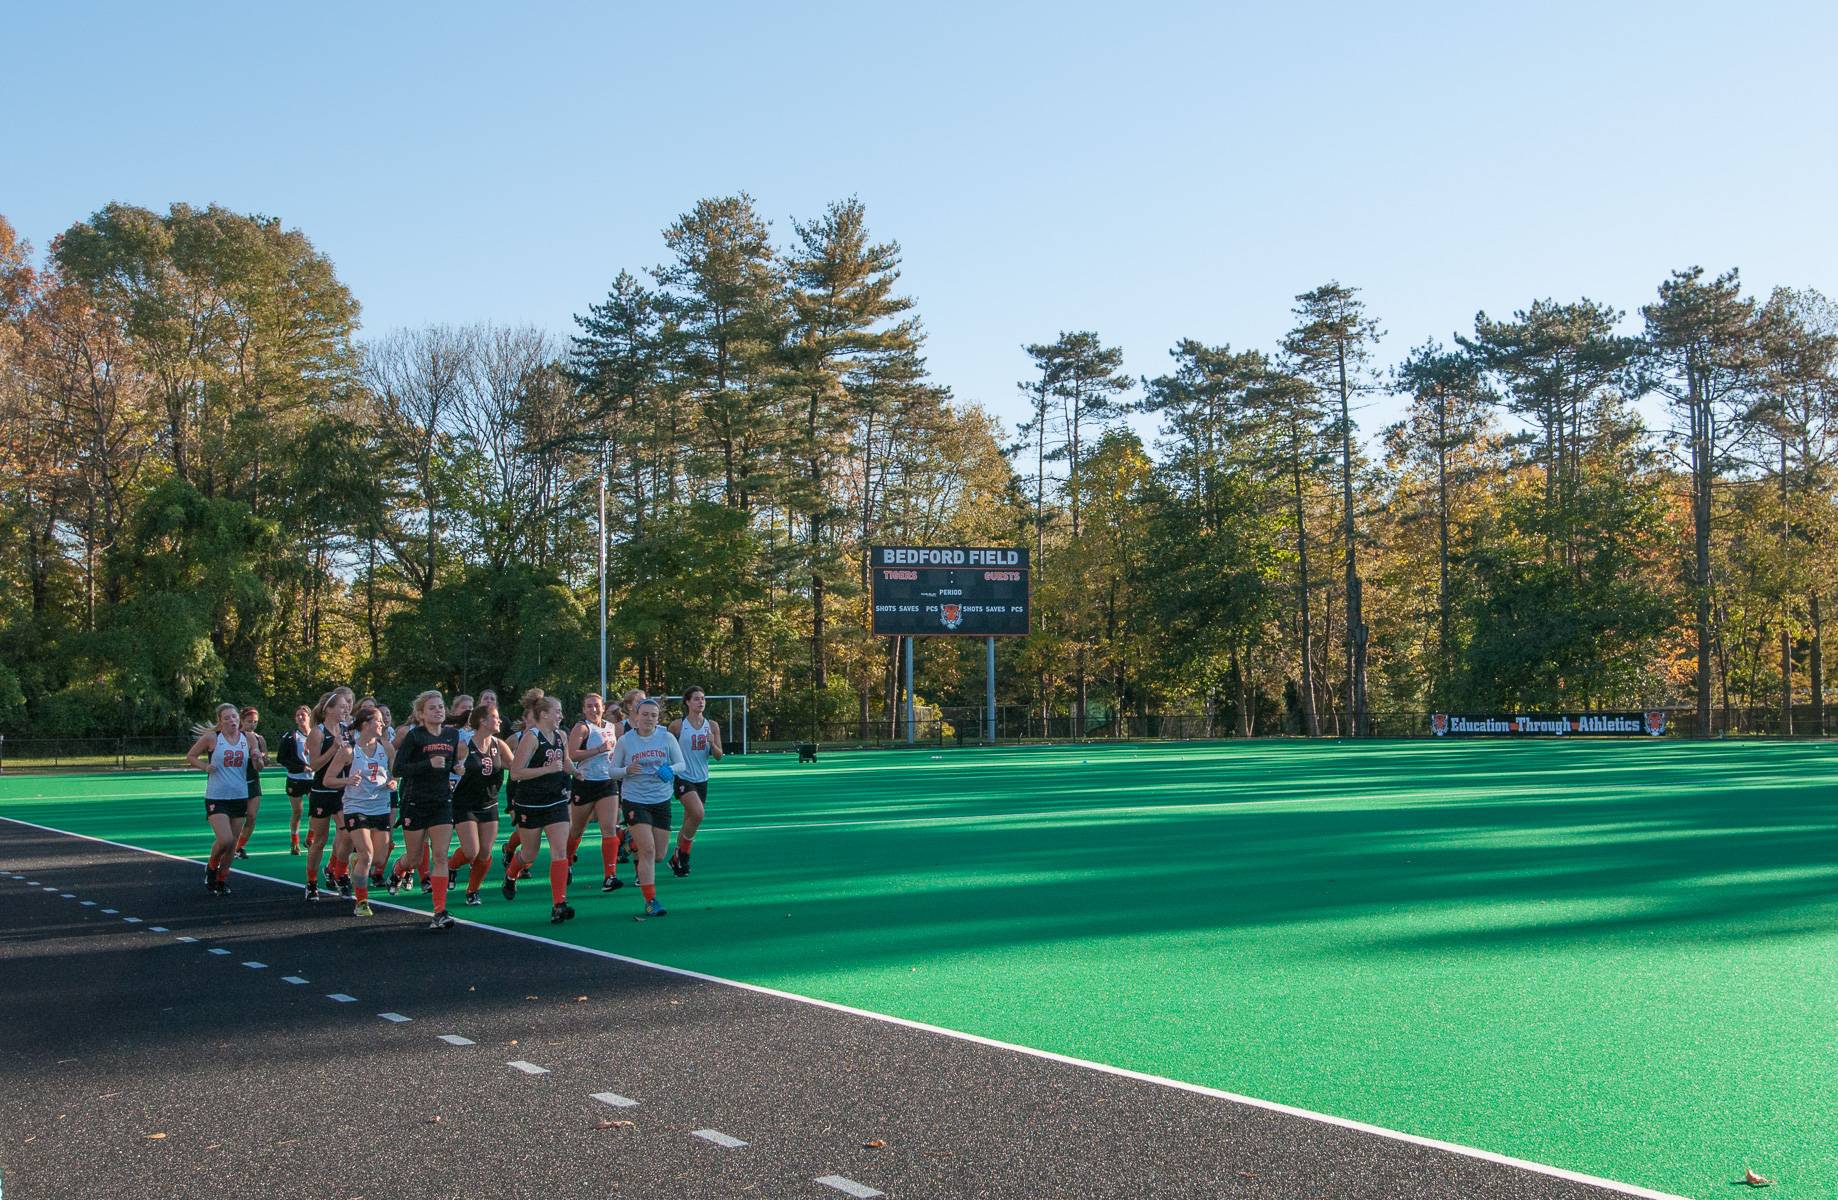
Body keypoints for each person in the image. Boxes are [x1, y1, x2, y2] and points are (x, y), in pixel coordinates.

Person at [503, 690, 579, 923]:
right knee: (529, 853)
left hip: (556, 800)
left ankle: (559, 903)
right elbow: (516, 773)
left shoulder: (561, 736)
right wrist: (547, 769)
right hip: (530, 802)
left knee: (560, 851)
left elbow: (564, 761)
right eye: (556, 711)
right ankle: (511, 874)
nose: (560, 715)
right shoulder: (531, 737)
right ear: (544, 714)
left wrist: (575, 771)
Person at [392, 690, 462, 930]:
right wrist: (426, 764)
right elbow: (398, 769)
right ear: (421, 714)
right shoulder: (415, 737)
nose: (438, 710)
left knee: (441, 855)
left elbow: (451, 763)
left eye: (441, 706)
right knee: (414, 858)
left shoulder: (452, 735)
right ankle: (399, 868)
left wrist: (458, 767)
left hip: (442, 801)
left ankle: (439, 911)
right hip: (415, 801)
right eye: (432, 708)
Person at [611, 697, 686, 918]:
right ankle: (650, 900)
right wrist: (626, 770)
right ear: (636, 716)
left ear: (658, 718)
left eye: (653, 715)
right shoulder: (626, 741)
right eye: (644, 714)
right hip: (635, 799)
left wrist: (670, 770)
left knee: (660, 855)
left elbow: (682, 764)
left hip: (661, 800)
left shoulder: (667, 737)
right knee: (649, 850)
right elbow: (611, 771)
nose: (649, 719)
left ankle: (628, 839)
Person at [322, 702, 393, 918]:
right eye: (378, 721)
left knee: (380, 859)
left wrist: (393, 782)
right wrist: (347, 780)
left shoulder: (386, 747)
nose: (382, 724)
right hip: (356, 807)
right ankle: (362, 902)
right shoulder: (349, 751)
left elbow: (395, 773)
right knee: (368, 854)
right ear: (365, 724)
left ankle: (356, 862)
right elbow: (328, 780)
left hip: (380, 806)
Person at [185, 703, 251, 896]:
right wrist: (205, 767)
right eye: (227, 718)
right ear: (220, 721)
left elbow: (259, 764)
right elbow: (191, 756)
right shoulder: (213, 738)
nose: (232, 720)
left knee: (233, 844)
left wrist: (258, 758)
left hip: (239, 795)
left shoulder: (248, 739)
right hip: (217, 796)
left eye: (234, 717)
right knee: (225, 839)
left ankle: (221, 880)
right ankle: (212, 866)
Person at [448, 701, 510, 906]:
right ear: (482, 721)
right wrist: (456, 769)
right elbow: (449, 770)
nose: (499, 720)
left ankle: (472, 890)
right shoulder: (465, 745)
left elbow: (517, 767)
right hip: (465, 804)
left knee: (485, 853)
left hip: (489, 803)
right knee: (471, 851)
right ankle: (451, 866)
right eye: (495, 716)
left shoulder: (499, 745)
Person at [566, 694, 624, 893]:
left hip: (607, 782)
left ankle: (610, 876)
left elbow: (616, 751)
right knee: (577, 830)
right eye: (589, 706)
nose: (593, 710)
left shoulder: (611, 726)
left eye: (597, 706)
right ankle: (567, 862)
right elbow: (572, 754)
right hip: (585, 783)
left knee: (609, 828)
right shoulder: (582, 727)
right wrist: (599, 749)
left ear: (603, 707)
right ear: (584, 709)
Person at [666, 686, 723, 877]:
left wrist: (712, 743)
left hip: (702, 779)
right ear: (688, 702)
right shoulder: (677, 725)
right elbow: (665, 749)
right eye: (697, 699)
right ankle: (684, 855)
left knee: (689, 821)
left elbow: (718, 756)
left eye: (703, 699)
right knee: (698, 814)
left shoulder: (712, 725)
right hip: (683, 777)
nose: (701, 702)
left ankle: (676, 858)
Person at [304, 689, 355, 901]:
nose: (346, 710)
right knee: (320, 840)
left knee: (350, 833)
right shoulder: (317, 732)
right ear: (329, 710)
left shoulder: (346, 731)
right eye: (342, 706)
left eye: (347, 706)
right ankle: (311, 882)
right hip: (322, 791)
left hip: (342, 790)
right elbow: (314, 764)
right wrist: (334, 748)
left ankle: (340, 873)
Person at [232, 706, 269, 859]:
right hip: (236, 782)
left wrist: (260, 758)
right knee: (237, 818)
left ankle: (239, 846)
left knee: (252, 816)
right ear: (242, 720)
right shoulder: (234, 737)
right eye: (249, 721)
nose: (252, 725)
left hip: (253, 781)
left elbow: (264, 763)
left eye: (255, 722)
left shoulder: (259, 739)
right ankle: (231, 846)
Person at [278, 704, 316, 853]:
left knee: (315, 810)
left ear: (310, 717)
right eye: (298, 715)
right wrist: (300, 768)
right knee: (297, 811)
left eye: (303, 715)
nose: (300, 717)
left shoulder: (317, 734)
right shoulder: (290, 736)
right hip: (296, 778)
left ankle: (310, 837)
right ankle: (294, 841)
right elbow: (282, 758)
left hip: (313, 779)